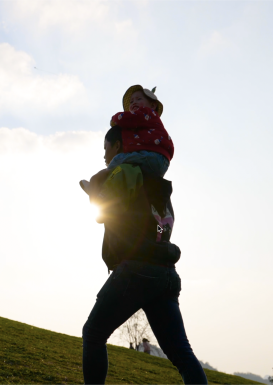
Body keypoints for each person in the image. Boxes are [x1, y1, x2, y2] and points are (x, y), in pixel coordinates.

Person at [81, 125, 207, 385]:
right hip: (166, 275)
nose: (105, 156)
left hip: (136, 270)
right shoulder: (159, 187)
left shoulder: (121, 173)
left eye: (107, 149)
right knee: (182, 354)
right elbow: (161, 226)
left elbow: (103, 213)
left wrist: (93, 192)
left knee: (93, 334)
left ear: (118, 146)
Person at [84, 85, 174, 191]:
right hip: (161, 161)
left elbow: (128, 118)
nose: (134, 102)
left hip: (153, 156)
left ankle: (102, 188)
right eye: (131, 102)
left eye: (139, 99)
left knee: (118, 160)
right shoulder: (146, 124)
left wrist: (116, 118)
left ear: (153, 105)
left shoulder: (146, 113)